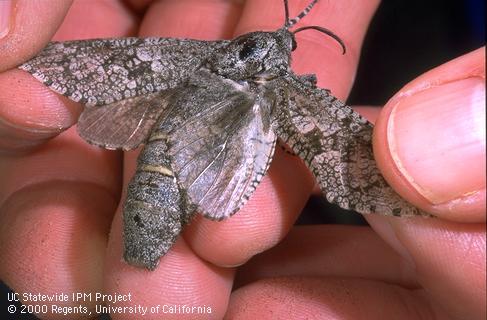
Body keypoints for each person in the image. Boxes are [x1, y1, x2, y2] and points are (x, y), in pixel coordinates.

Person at [0, 1, 484, 319]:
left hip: (159, 139)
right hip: (189, 165)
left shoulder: (186, 52)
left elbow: (75, 64)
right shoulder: (292, 91)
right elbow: (348, 156)